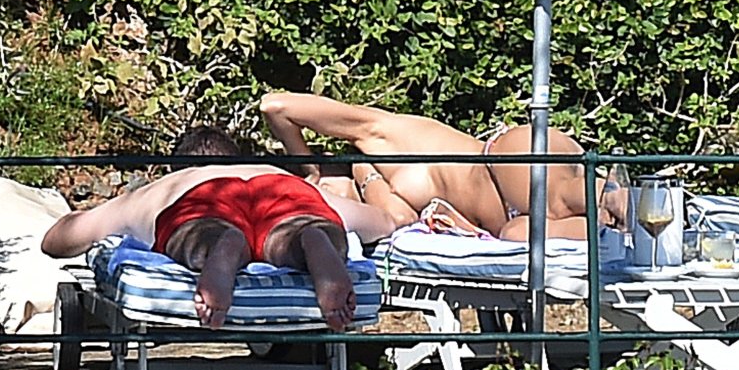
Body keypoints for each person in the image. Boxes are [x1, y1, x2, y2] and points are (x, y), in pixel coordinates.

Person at [41, 128, 395, 331]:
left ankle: (220, 246)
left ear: (176, 166)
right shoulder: (273, 172)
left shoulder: (170, 184)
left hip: (201, 199)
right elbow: (381, 223)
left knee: (194, 233)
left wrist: (72, 223)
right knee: (299, 228)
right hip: (282, 193)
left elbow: (59, 240)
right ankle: (309, 240)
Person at [260, 91, 608, 241]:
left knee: (563, 200)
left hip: (501, 164)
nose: (327, 195)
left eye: (323, 192)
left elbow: (275, 106)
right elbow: (398, 220)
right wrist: (366, 178)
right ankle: (627, 216)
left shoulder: (379, 135)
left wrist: (309, 168)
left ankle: (626, 197)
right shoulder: (383, 193)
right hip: (510, 216)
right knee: (527, 233)